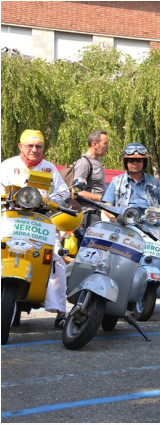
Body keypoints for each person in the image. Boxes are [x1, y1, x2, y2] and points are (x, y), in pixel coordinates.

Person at [102, 142, 160, 316]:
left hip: (150, 225)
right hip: (125, 225)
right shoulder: (117, 182)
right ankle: (111, 296)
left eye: (139, 160)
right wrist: (115, 218)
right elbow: (107, 206)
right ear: (125, 162)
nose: (135, 163)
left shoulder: (153, 183)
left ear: (144, 162)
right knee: (117, 260)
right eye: (131, 160)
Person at [0, 130, 73, 328]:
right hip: (11, 219)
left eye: (38, 146)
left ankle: (60, 312)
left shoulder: (49, 168)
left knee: (57, 258)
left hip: (40, 222)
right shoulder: (8, 165)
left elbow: (62, 193)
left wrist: (51, 200)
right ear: (20, 146)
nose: (34, 150)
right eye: (30, 146)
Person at [74, 130, 109, 229]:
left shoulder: (97, 160)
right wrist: (100, 198)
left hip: (96, 214)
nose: (107, 147)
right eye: (105, 143)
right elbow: (77, 191)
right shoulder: (84, 163)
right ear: (95, 145)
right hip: (87, 216)